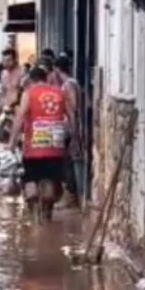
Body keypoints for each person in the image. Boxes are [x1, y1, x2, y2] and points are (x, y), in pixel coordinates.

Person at [7, 65, 74, 222]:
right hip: (55, 147)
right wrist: (75, 138)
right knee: (50, 179)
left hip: (33, 148)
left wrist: (12, 141)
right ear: (46, 78)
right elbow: (72, 117)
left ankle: (34, 205)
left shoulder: (29, 93)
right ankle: (46, 210)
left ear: (30, 80)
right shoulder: (60, 93)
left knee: (31, 178)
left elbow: (20, 118)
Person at [55, 52, 83, 207]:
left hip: (69, 127)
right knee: (69, 160)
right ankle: (71, 194)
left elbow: (72, 109)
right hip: (72, 126)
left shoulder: (67, 86)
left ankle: (71, 195)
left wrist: (73, 132)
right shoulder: (75, 83)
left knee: (66, 161)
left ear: (58, 70)